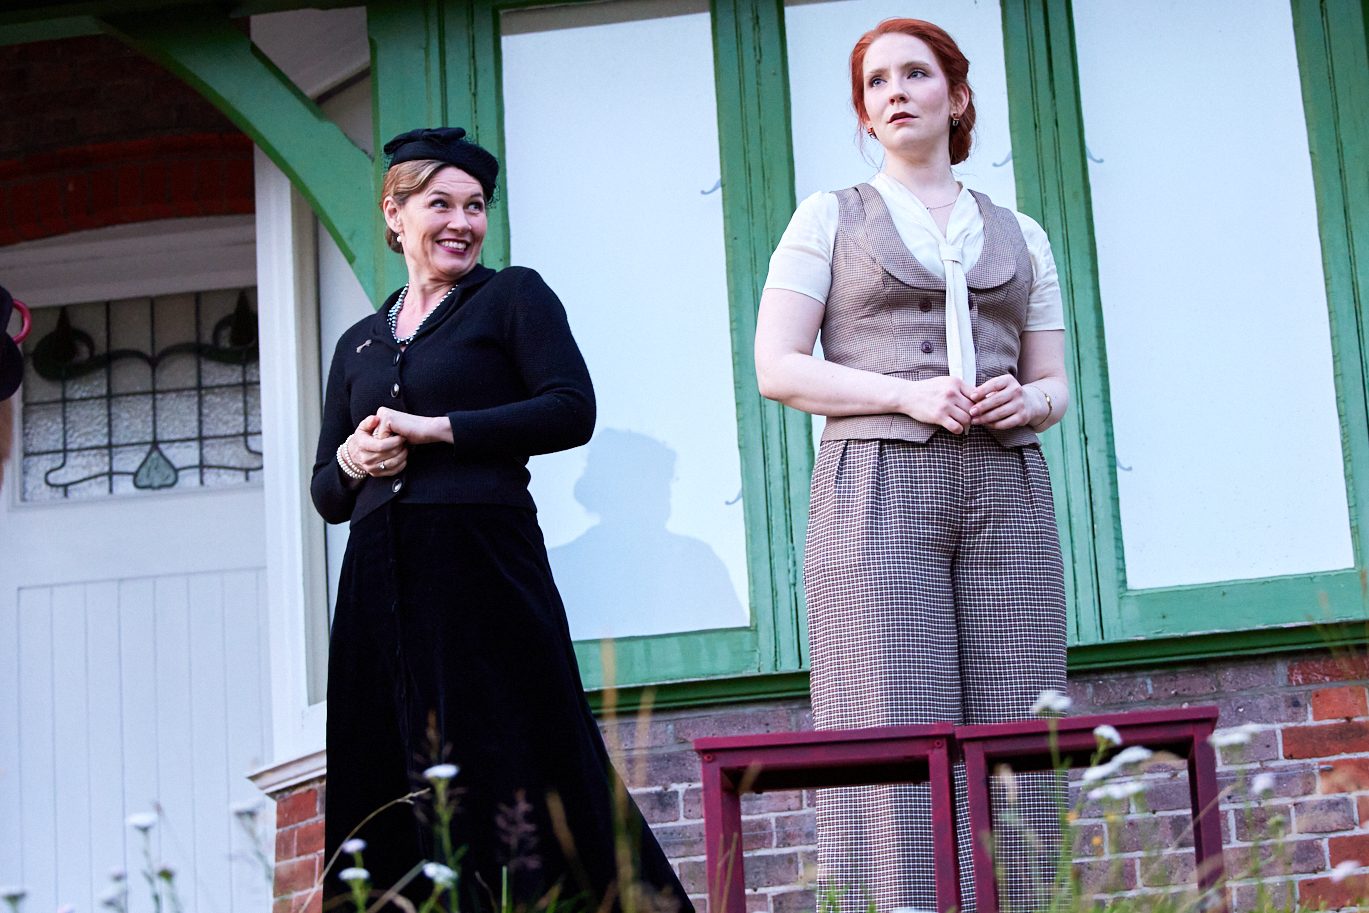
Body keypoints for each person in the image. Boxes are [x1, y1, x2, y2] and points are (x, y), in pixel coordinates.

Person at [311, 127, 692, 913]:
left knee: (515, 749)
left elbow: (570, 408)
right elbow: (326, 492)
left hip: (481, 564)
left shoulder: (512, 296)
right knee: (383, 765)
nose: (462, 221)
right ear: (394, 213)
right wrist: (352, 456)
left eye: (476, 206)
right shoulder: (357, 344)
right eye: (440, 204)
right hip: (377, 583)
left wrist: (436, 428)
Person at [753, 19, 1070, 913]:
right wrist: (906, 396)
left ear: (956, 96)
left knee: (1020, 723)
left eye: (915, 74)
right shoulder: (828, 217)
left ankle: (1022, 903)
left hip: (1006, 486)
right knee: (889, 714)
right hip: (876, 483)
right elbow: (777, 366)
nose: (894, 91)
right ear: (864, 113)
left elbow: (1055, 382)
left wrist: (1026, 402)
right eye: (876, 82)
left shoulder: (1020, 232)